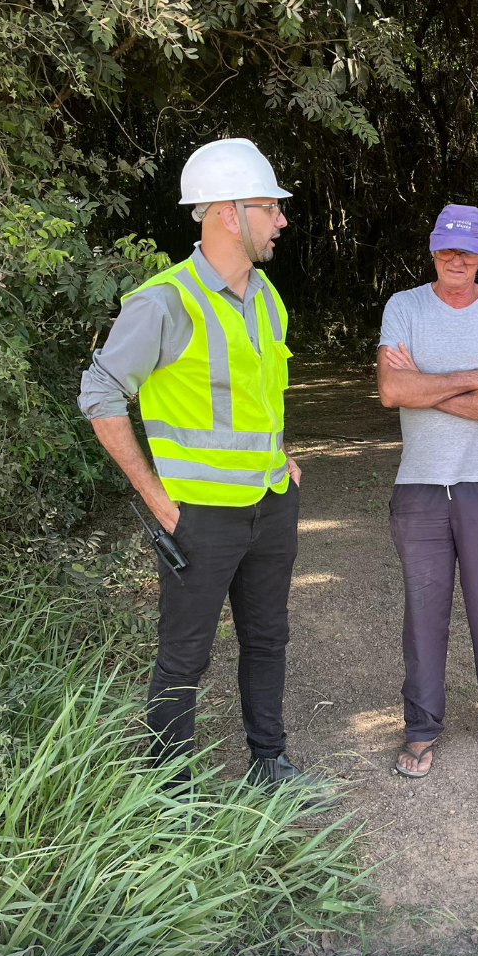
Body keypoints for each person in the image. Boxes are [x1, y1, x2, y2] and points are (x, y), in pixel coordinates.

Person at [79, 138, 321, 789]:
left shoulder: (267, 297)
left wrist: (284, 459)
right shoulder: (163, 302)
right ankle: (168, 789)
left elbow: (257, 398)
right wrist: (158, 499)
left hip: (271, 505)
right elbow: (99, 395)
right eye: (270, 208)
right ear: (226, 213)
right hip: (199, 519)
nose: (281, 220)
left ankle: (268, 762)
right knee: (184, 656)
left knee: (269, 640)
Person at [377, 204, 478, 777]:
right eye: (448, 248)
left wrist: (426, 383)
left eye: (468, 251)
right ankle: (421, 729)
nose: (457, 259)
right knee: (424, 611)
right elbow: (391, 391)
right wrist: (474, 376)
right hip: (419, 482)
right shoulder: (404, 306)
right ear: (432, 249)